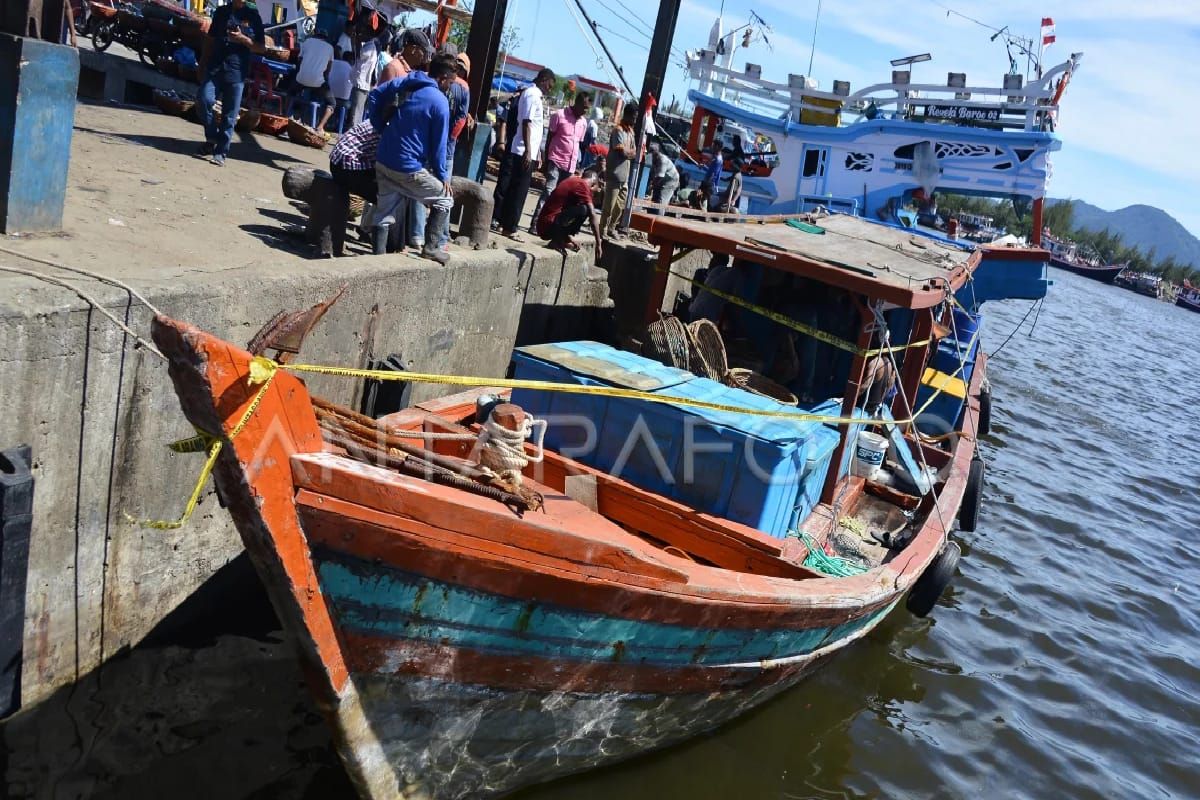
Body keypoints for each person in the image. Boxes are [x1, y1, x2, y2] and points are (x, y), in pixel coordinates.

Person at [368, 54, 457, 264]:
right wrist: (442, 175)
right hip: (407, 167)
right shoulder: (440, 102)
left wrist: (380, 127)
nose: (450, 87)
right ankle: (431, 248)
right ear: (443, 78)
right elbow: (439, 146)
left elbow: (375, 95)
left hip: (383, 159)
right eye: (451, 82)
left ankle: (375, 262)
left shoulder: (409, 82)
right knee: (445, 199)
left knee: (383, 212)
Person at [196, 0, 265, 166]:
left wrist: (243, 39)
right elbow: (210, 39)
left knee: (230, 114)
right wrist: (202, 63)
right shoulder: (221, 12)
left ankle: (220, 152)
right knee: (204, 99)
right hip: (215, 67)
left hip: (237, 71)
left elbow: (261, 48)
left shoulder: (253, 16)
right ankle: (212, 136)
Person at [495, 68, 555, 241]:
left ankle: (505, 224)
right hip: (522, 150)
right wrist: (529, 150)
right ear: (544, 80)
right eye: (550, 85)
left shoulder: (535, 96)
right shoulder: (532, 95)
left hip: (528, 150)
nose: (549, 89)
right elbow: (527, 123)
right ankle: (510, 227)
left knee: (516, 190)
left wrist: (537, 153)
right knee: (518, 192)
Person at [530, 91, 592, 231]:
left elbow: (578, 143)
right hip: (556, 160)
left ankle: (552, 225)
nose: (585, 111)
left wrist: (577, 164)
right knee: (549, 191)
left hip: (570, 165)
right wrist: (546, 159)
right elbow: (550, 137)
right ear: (577, 103)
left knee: (564, 197)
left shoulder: (583, 122)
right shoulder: (559, 115)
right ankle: (536, 224)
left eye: (587, 109)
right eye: (584, 107)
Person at [329, 118, 383, 254]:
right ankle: (375, 239)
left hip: (340, 161)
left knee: (383, 190)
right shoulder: (389, 128)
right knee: (386, 197)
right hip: (346, 166)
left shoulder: (379, 119)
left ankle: (366, 228)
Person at [536, 169, 603, 258]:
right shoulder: (582, 185)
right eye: (594, 191)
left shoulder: (574, 180)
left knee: (581, 207)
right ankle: (557, 241)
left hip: (544, 226)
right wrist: (598, 244)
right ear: (593, 184)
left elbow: (564, 210)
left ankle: (562, 238)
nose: (593, 194)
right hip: (547, 227)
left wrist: (566, 237)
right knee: (585, 209)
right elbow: (593, 215)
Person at [600, 104, 637, 238]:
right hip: (614, 174)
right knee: (609, 206)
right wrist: (629, 152)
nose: (634, 120)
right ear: (627, 115)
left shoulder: (631, 132)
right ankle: (602, 229)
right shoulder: (618, 130)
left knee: (619, 206)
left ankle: (611, 228)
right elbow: (622, 152)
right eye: (633, 117)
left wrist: (630, 152)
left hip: (624, 176)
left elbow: (634, 152)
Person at [292, 30, 336, 131]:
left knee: (291, 92)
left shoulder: (307, 42)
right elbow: (328, 70)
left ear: (315, 35)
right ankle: (320, 127)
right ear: (325, 38)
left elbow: (299, 60)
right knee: (332, 103)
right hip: (318, 83)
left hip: (301, 79)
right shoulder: (330, 47)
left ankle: (287, 115)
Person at [349, 34, 382, 125]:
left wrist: (357, 42)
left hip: (361, 84)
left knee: (356, 112)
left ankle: (352, 132)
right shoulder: (371, 48)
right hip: (363, 83)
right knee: (358, 111)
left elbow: (360, 55)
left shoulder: (370, 47)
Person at [326, 51, 355, 131]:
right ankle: (344, 126)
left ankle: (330, 123)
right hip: (343, 102)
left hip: (327, 96)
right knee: (353, 103)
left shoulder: (333, 62)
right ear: (352, 60)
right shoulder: (351, 68)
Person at [647, 140, 679, 210]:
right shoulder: (654, 159)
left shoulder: (662, 160)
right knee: (655, 197)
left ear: (656, 152)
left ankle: (659, 217)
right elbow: (655, 174)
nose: (650, 154)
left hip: (671, 181)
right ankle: (651, 216)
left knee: (662, 201)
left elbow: (660, 176)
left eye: (652, 152)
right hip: (662, 179)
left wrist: (652, 186)